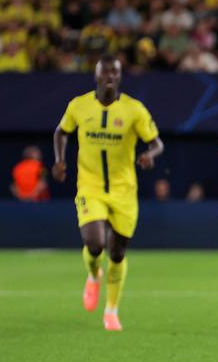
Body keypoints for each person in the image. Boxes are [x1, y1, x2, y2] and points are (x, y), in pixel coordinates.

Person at [53, 55, 164, 331]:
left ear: (120, 76)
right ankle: (93, 275)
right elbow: (61, 132)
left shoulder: (134, 109)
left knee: (116, 253)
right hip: (90, 186)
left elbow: (157, 143)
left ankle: (111, 311)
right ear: (96, 76)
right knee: (94, 243)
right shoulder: (78, 105)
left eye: (114, 72)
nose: (110, 76)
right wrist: (59, 160)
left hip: (124, 190)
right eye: (105, 72)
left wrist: (150, 155)